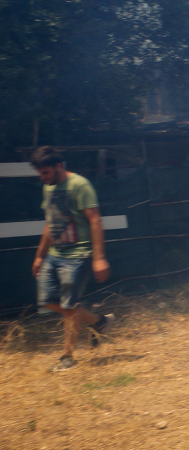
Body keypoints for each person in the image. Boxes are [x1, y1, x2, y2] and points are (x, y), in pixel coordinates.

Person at [30, 147, 114, 372]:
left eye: (46, 172)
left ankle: (67, 357)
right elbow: (50, 223)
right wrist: (39, 257)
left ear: (59, 166)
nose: (43, 177)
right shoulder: (48, 188)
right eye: (40, 173)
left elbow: (95, 220)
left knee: (69, 306)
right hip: (55, 254)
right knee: (47, 301)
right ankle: (98, 321)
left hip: (78, 254)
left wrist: (99, 258)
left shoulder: (80, 185)